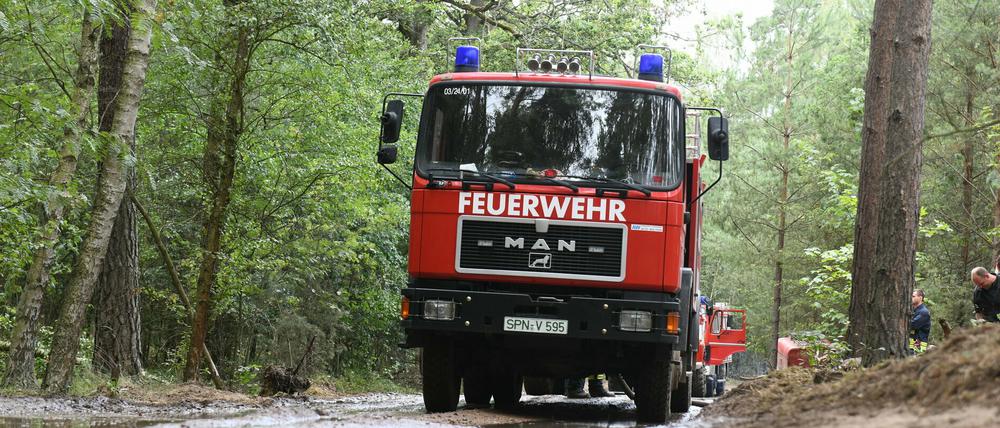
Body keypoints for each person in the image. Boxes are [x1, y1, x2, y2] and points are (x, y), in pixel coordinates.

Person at [909, 289, 930, 353]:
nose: (910, 298)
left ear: (920, 298)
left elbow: (911, 325)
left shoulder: (924, 312)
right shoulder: (915, 311)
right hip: (911, 348)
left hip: (918, 349)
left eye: (913, 296)